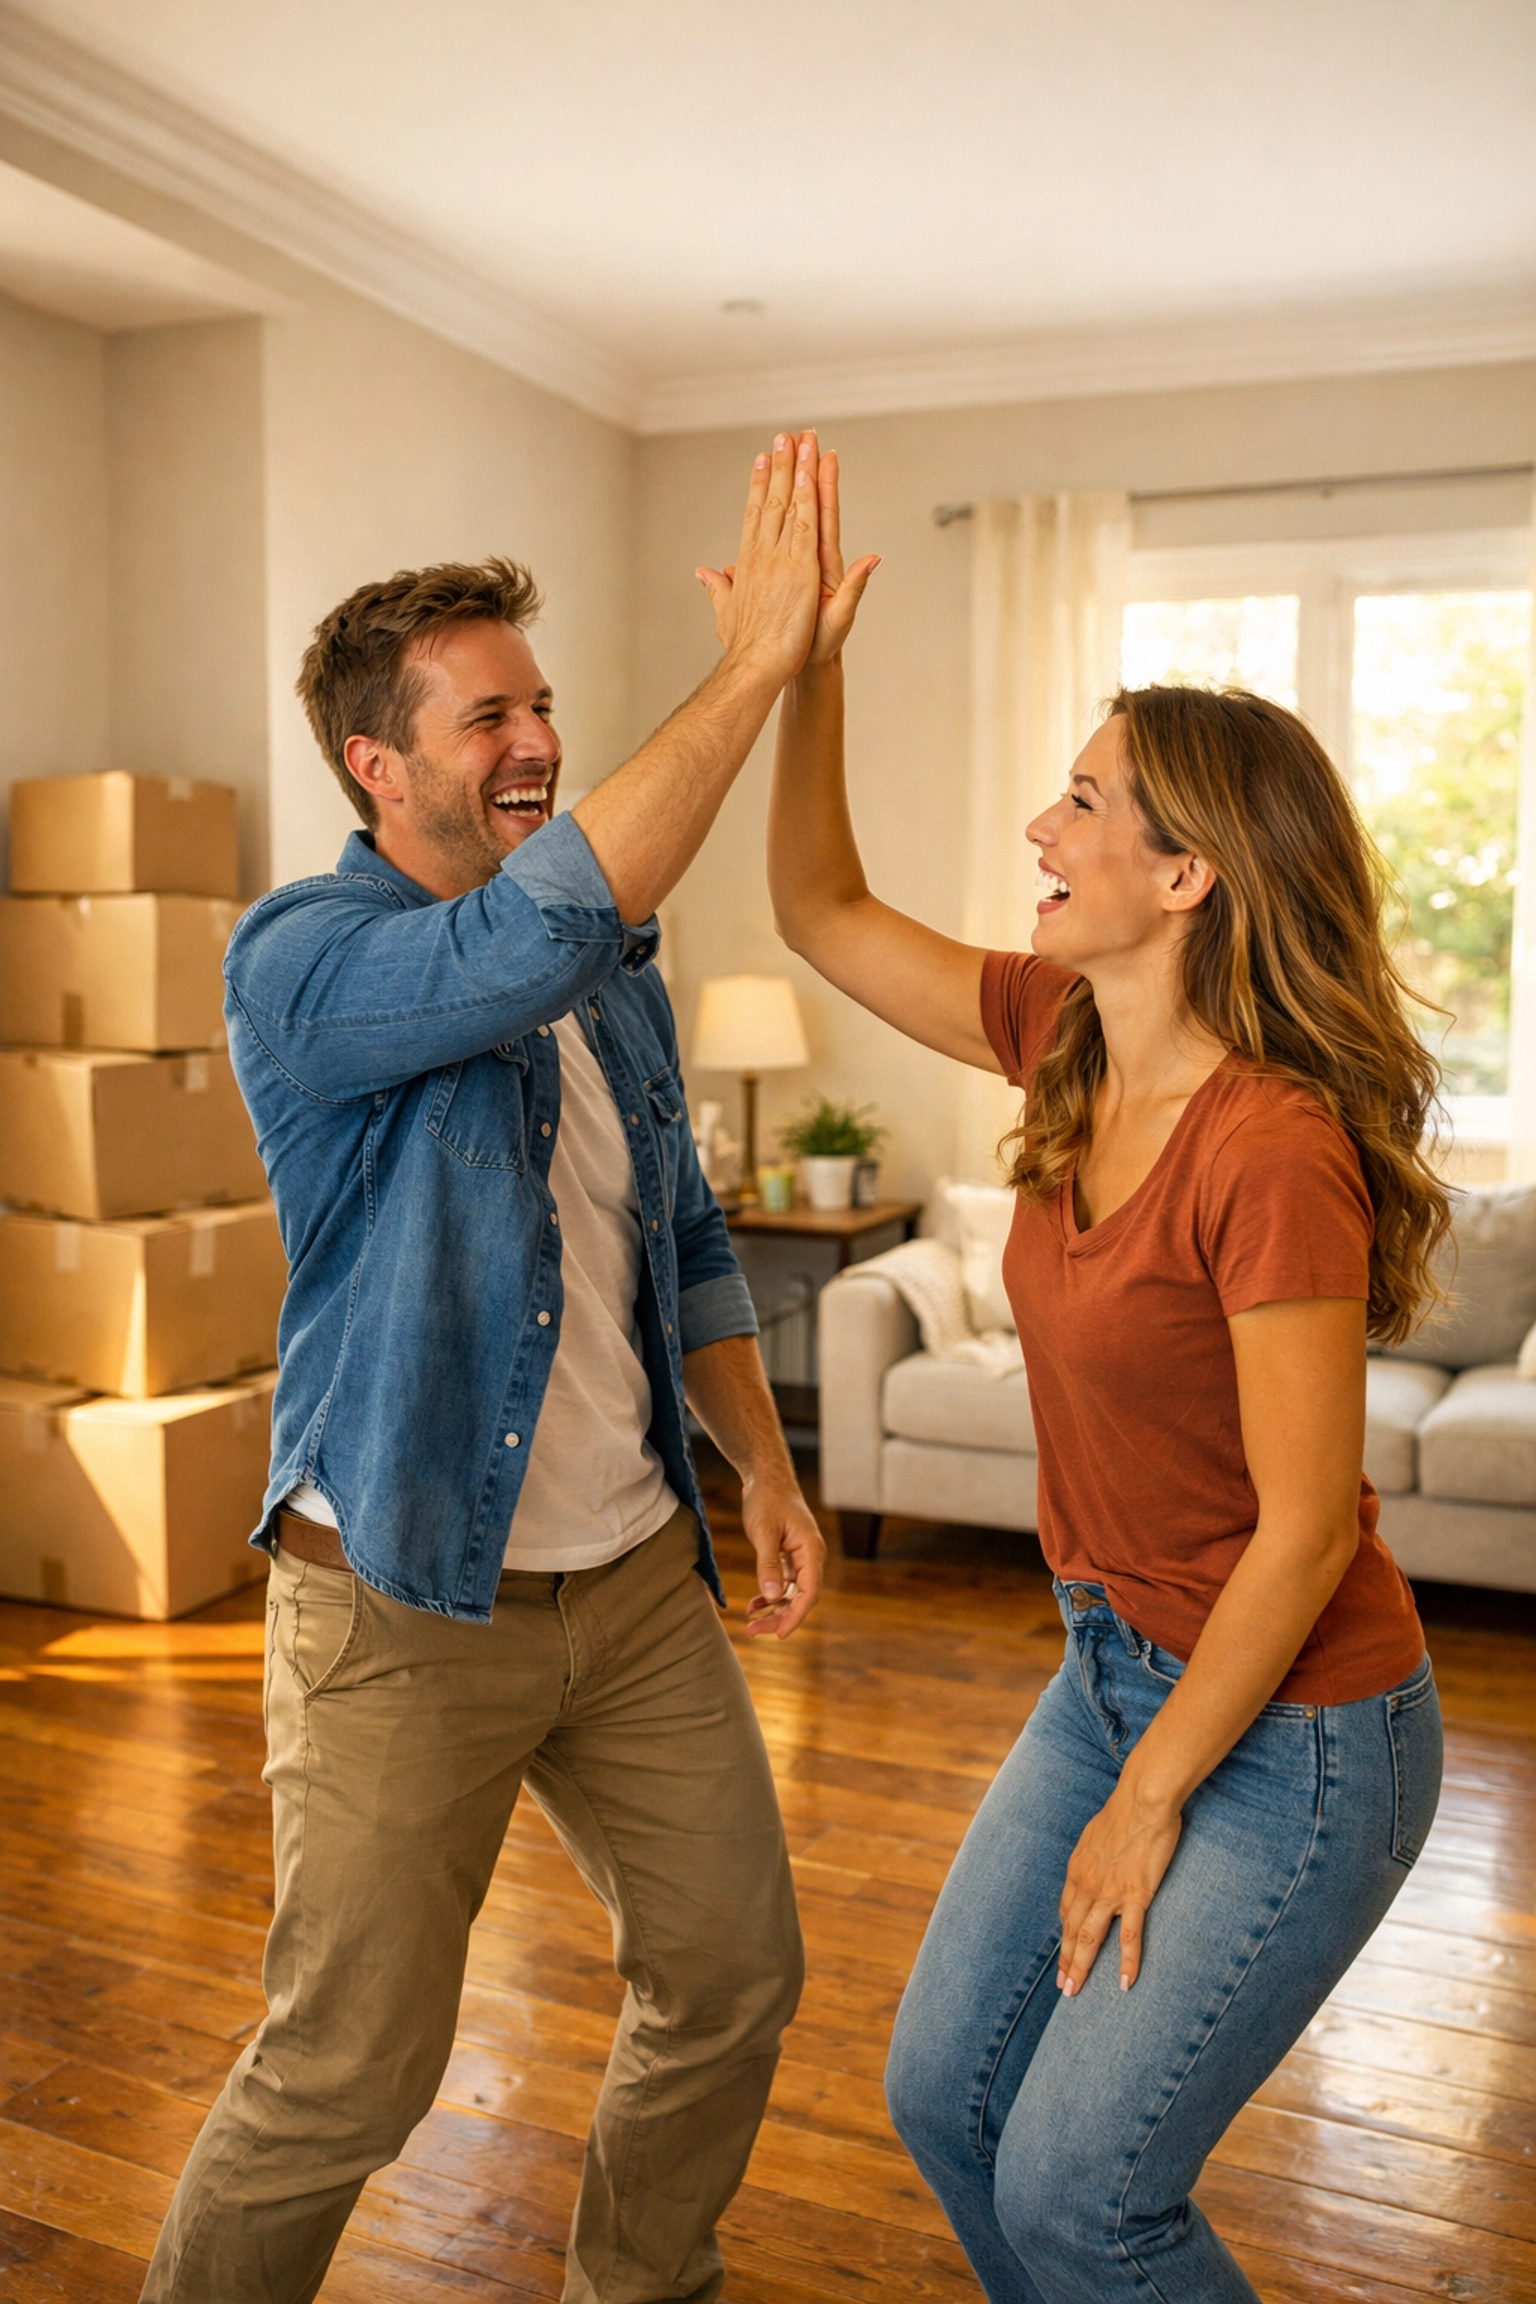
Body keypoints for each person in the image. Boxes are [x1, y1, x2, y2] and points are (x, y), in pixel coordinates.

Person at [716, 457, 1447, 2304]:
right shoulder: (1060, 1039)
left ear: (1185, 875)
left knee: (1080, 2198)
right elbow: (818, 904)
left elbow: (1304, 1536)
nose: (1042, 824)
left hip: (1300, 1730)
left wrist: (1150, 1800)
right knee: (945, 2104)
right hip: (1111, 1665)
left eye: (1084, 800)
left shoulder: (1271, 1148)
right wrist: (806, 666)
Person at [143, 434, 835, 2304]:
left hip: (634, 1582)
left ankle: (642, 2284)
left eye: (541, 704)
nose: (535, 741)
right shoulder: (303, 957)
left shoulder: (613, 969)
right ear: (376, 762)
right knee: (348, 2077)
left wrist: (764, 1467)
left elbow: (680, 1232)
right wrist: (755, 669)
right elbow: (524, 942)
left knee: (734, 1973)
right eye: (488, 718)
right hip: (402, 1602)